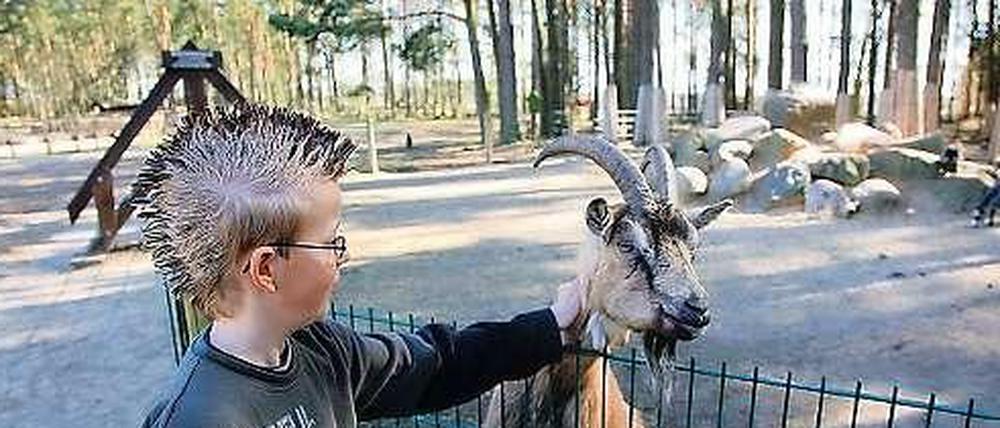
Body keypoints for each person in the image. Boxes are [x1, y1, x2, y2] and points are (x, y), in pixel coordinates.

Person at [136, 104, 585, 427]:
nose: (343, 256)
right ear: (267, 269)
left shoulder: (321, 349)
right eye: (332, 243)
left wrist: (549, 327)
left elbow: (436, 366)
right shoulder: (203, 416)